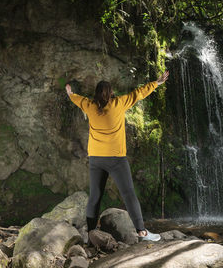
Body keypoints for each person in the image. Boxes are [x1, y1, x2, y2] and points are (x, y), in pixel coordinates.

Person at [65, 70, 169, 242]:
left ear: (96, 94)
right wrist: (157, 83)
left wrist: (70, 93)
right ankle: (142, 233)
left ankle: (91, 234)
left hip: (96, 159)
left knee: (95, 196)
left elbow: (76, 99)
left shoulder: (89, 106)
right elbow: (139, 93)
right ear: (111, 93)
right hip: (116, 159)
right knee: (128, 194)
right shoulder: (119, 103)